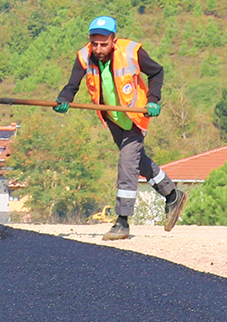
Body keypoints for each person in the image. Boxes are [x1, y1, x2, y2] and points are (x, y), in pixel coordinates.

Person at [52, 15, 188, 241]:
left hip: (135, 116)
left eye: (103, 44)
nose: (98, 49)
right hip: (113, 118)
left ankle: (122, 222)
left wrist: (153, 100)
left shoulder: (131, 52)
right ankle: (173, 195)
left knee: (127, 163)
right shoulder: (84, 56)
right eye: (94, 43)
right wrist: (63, 99)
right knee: (139, 162)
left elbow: (157, 72)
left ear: (113, 40)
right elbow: (72, 84)